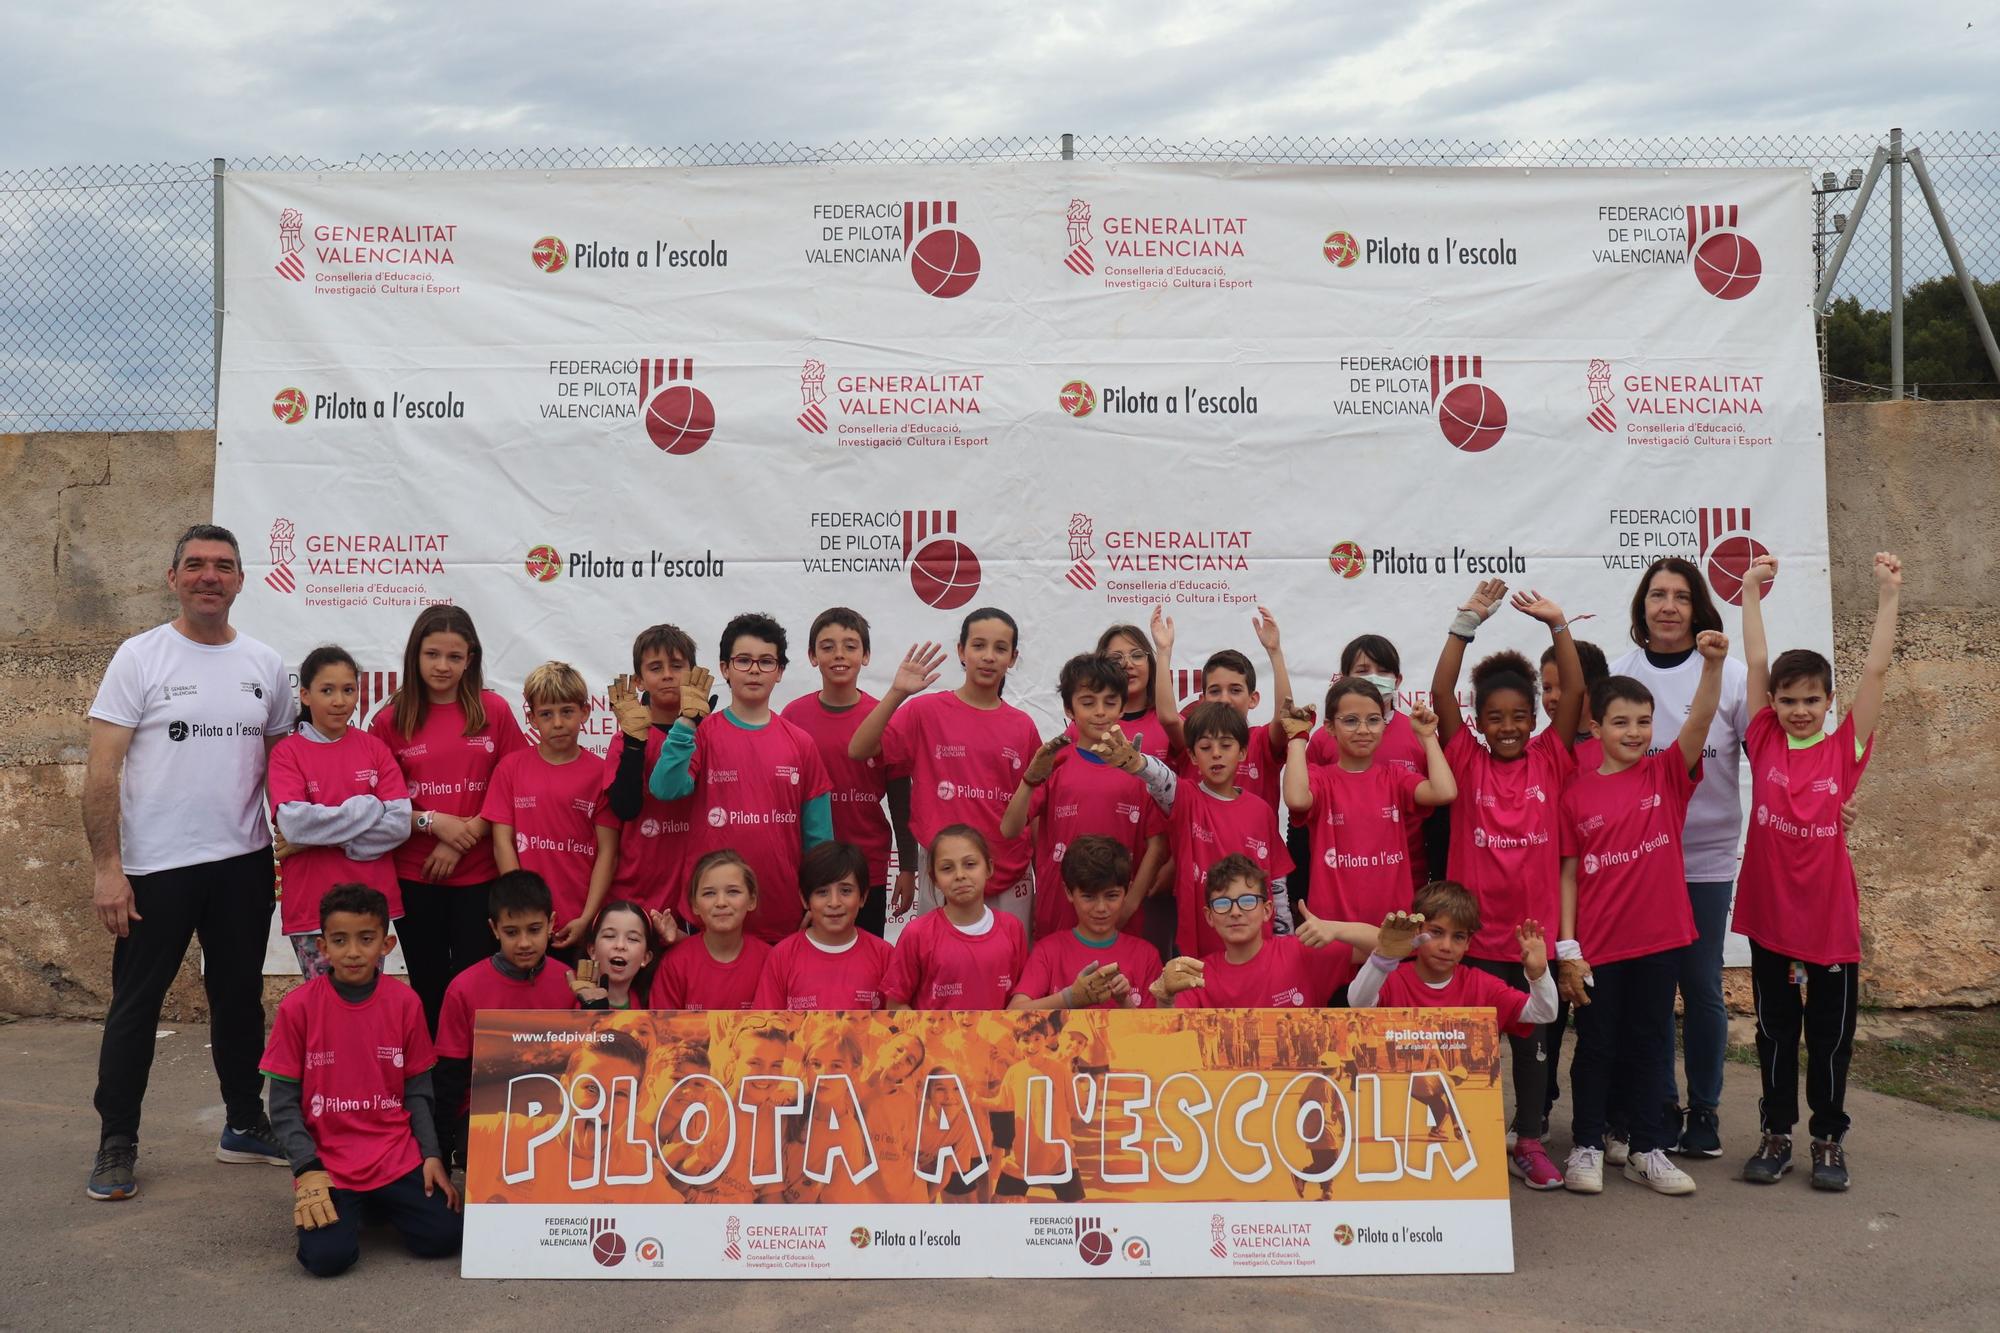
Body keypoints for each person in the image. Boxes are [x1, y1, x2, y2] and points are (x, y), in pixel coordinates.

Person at [85, 523, 295, 1201]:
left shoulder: (265, 664)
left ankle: (243, 1123)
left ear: (241, 580)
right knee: (136, 1005)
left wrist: (292, 839)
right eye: (196, 565)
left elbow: (286, 767)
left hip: (242, 863)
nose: (210, 575)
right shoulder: (140, 657)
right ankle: (117, 1140)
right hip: (156, 870)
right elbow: (101, 770)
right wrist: (107, 867)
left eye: (223, 566)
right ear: (173, 577)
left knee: (238, 1000)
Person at [1735, 553, 1902, 1191]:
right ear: (1772, 704)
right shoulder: (1764, 739)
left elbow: (1877, 668)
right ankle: (1776, 1134)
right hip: (1772, 920)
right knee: (1776, 1034)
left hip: (1829, 925)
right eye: (1788, 700)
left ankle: (1828, 1139)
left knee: (1830, 1041)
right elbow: (1755, 661)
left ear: (1831, 702)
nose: (1799, 710)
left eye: (1812, 700)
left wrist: (1888, 595)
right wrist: (1750, 592)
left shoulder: (1844, 748)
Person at [1558, 629, 1731, 1198]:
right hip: (1600, 947)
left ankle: (1645, 1149)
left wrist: (1712, 665)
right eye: (1620, 722)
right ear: (1597, 727)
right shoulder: (1576, 794)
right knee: (1597, 1045)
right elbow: (1567, 875)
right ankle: (1586, 1144)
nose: (1633, 732)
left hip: (1660, 940)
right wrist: (1568, 947)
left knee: (1649, 1043)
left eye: (1643, 722)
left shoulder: (1666, 775)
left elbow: (1702, 721)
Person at [1427, 581, 1582, 1189]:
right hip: (1473, 943)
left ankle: (1531, 1140)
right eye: (1497, 717)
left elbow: (1572, 693)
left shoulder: (1550, 757)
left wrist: (1558, 626)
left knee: (1533, 1048)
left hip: (1531, 947)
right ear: (1480, 722)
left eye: (1521, 716)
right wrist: (1466, 622)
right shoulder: (1465, 756)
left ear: (1536, 719)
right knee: (1466, 1050)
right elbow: (1441, 691)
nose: (1510, 727)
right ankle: (1461, 1140)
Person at [1609, 558, 1751, 1158]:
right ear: (1642, 606)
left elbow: (1772, 756)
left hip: (1706, 856)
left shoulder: (1733, 676)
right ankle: (1660, 1105)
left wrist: (1821, 813)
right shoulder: (1619, 672)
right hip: (1641, 859)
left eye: (1681, 597)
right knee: (1652, 989)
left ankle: (1706, 1111)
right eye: (1657, 595)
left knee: (1701, 985)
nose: (1668, 606)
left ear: (1699, 609)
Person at [259, 884, 460, 1276]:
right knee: (326, 1259)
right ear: (322, 947)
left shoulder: (405, 1004)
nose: (353, 952)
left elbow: (418, 1092)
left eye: (366, 939)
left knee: (444, 1237)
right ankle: (357, 1205)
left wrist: (431, 1156)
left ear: (385, 945)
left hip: (395, 1156)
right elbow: (282, 1105)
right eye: (340, 940)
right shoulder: (298, 1008)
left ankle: (379, 1201)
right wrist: (306, 1168)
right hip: (331, 1164)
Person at [369, 604, 527, 1033]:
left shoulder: (493, 711)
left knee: (478, 988)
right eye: (432, 654)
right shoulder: (388, 720)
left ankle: (475, 1091)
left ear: (470, 659)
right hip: (416, 877)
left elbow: (515, 784)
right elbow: (378, 804)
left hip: (481, 876)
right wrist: (432, 822)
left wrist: (468, 832)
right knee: (430, 988)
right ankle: (434, 1094)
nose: (442, 666)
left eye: (454, 657)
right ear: (414, 656)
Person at [848, 609, 1041, 928]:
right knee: (942, 970)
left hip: (1009, 874)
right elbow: (859, 749)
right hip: (943, 873)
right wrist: (898, 692)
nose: (989, 657)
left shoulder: (1024, 727)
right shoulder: (926, 712)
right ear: (962, 651)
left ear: (1013, 657)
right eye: (978, 646)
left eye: (1000, 649)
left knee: (1007, 971)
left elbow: (1032, 812)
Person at [1345, 883, 1560, 1169]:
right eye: (1436, 932)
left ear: (1469, 943)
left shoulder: (1481, 985)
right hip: (1394, 1114)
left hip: (1462, 1117)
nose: (1446, 946)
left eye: (1458, 937)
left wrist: (1539, 973)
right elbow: (1357, 1004)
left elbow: (1544, 1013)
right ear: (1417, 932)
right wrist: (1383, 958)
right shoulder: (1394, 978)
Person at [650, 612, 834, 943]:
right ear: (724, 668)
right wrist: (686, 724)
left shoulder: (801, 743)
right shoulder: (702, 733)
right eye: (743, 660)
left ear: (779, 672)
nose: (754, 670)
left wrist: (820, 896)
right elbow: (664, 788)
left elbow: (819, 838)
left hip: (782, 915)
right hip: (709, 916)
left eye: (766, 662)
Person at [1000, 652, 1167, 938]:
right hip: (1059, 913)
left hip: (1119, 917)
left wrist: (1131, 903)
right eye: (1088, 703)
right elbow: (1009, 829)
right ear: (1069, 708)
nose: (1100, 711)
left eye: (1110, 702)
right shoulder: (1054, 762)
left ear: (1123, 706)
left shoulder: (1139, 768)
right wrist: (1028, 781)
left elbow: (1158, 844)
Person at [268, 646, 411, 977]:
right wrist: (368, 806)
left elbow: (399, 824)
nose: (339, 700)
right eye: (327, 690)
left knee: (364, 1006)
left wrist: (326, 840)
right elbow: (295, 825)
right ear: (305, 695)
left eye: (348, 690)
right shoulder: (287, 754)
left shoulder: (374, 748)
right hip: (312, 906)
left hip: (370, 905)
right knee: (325, 1009)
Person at [1119, 701, 1296, 959]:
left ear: (1243, 752)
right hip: (1199, 953)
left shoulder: (1262, 810)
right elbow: (1162, 780)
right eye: (1205, 747)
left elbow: (1277, 883)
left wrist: (1285, 943)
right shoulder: (1187, 798)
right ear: (1191, 756)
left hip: (1260, 952)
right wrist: (1139, 764)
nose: (1216, 754)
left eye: (1226, 745)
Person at [781, 607, 919, 938]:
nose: (839, 654)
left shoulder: (883, 717)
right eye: (827, 647)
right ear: (812, 657)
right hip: (807, 866)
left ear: (866, 655)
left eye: (850, 645)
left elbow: (901, 801)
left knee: (865, 962)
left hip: (866, 867)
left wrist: (909, 869)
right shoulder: (793, 715)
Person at [1281, 680, 1454, 927]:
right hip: (1333, 931)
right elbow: (1296, 800)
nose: (1363, 729)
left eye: (1373, 720)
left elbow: (1444, 791)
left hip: (1393, 932)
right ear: (1329, 727)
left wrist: (1427, 738)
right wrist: (1298, 739)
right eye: (1351, 720)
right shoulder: (1320, 778)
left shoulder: (1396, 778)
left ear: (1384, 725)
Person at [433, 871, 577, 1167]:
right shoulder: (464, 988)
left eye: (534, 930)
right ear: (494, 929)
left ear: (551, 924)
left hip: (557, 1109)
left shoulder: (569, 982)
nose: (524, 943)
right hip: (483, 1113)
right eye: (512, 932)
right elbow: (450, 1076)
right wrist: (440, 1154)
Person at [481, 661, 615, 954]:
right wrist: (520, 909)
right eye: (546, 714)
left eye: (567, 711)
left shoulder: (602, 773)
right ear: (531, 718)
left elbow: (608, 851)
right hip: (527, 926)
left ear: (585, 712)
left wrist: (588, 917)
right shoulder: (510, 768)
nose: (557, 723)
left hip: (581, 920)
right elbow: (502, 842)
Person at [1305, 634, 1439, 892]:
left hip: (1408, 878)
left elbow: (1438, 811)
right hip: (1338, 880)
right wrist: (1299, 886)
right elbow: (1302, 816)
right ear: (1343, 679)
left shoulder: (1420, 735)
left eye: (1384, 670)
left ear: (1398, 680)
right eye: (1363, 671)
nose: (1374, 677)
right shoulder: (1323, 739)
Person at [1150, 857, 1378, 1009]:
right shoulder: (1198, 975)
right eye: (1222, 904)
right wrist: (1165, 997)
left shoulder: (1300, 953)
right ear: (1209, 916)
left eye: (1247, 901)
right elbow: (1169, 1037)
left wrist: (1336, 929)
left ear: (1267, 910)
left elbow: (1386, 947)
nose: (1236, 912)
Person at [597, 624, 703, 921]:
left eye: (677, 666)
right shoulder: (623, 740)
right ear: (640, 681)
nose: (668, 674)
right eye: (656, 668)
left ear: (693, 674)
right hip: (634, 895)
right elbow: (625, 808)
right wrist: (634, 744)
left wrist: (691, 722)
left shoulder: (708, 734)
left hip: (696, 898)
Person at [1149, 604, 1294, 807]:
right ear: (1202, 699)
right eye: (1215, 691)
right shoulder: (1194, 738)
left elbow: (1284, 718)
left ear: (1253, 699)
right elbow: (1168, 718)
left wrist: (1275, 652)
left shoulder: (1261, 741)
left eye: (1235, 690)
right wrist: (1163, 652)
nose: (1225, 699)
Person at [883, 825, 1029, 1010]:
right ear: (934, 878)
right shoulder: (917, 934)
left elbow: (1023, 1000)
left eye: (970, 864)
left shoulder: (1012, 928)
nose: (960, 875)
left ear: (989, 868)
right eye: (947, 868)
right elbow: (895, 1005)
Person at [1010, 836, 1164, 1010]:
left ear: (1127, 890)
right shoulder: (1048, 951)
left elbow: (1156, 1031)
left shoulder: (1146, 956)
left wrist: (1124, 1001)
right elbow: (1014, 1012)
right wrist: (1070, 998)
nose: (1100, 907)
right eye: (1089, 896)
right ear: (1069, 892)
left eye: (1111, 895)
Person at [754, 841, 894, 1010]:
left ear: (863, 897)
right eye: (822, 892)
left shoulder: (885, 956)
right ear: (805, 899)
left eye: (846, 891)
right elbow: (765, 1029)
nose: (834, 903)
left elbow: (901, 1025)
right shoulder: (782, 956)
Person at [651, 851, 773, 1011]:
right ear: (694, 905)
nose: (721, 902)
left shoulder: (769, 960)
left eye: (733, 892)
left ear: (751, 900)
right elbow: (661, 1029)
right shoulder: (675, 963)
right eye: (709, 893)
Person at [990, 1013, 1085, 1201]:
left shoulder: (1060, 1070)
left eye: (1037, 1039)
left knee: (1077, 1211)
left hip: (1058, 1157)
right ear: (1017, 1042)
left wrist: (1078, 1085)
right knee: (999, 1204)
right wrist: (974, 1098)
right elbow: (1001, 1104)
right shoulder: (1014, 1072)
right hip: (1022, 1158)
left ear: (1046, 1039)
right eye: (1026, 1040)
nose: (1032, 1045)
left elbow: (1077, 1112)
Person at [1090, 623, 1171, 759]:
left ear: (1150, 664)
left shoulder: (1171, 724)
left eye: (1137, 655)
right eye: (1116, 658)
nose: (1127, 664)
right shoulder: (1087, 725)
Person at [567, 900, 662, 1011]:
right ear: (592, 950)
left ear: (646, 958)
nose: (620, 945)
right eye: (609, 936)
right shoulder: (568, 1000)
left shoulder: (653, 1007)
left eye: (632, 938)